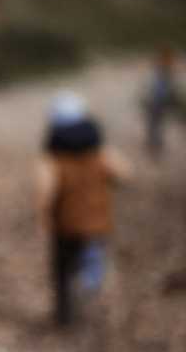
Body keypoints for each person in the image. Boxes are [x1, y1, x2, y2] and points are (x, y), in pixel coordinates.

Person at [36, 92, 130, 327]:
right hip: (98, 225)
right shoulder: (100, 154)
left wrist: (44, 217)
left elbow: (45, 193)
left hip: (66, 227)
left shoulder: (53, 159)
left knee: (62, 272)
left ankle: (65, 315)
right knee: (95, 262)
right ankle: (94, 297)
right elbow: (126, 174)